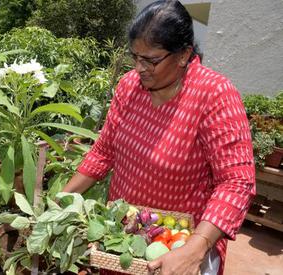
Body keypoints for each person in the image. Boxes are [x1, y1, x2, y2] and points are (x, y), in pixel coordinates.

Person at [62, 1, 256, 274]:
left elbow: (236, 182)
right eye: (135, 57)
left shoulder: (214, 95)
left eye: (151, 60)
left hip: (180, 242)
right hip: (126, 237)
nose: (140, 68)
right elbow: (104, 152)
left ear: (183, 55)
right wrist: (59, 202)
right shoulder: (130, 87)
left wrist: (195, 248)